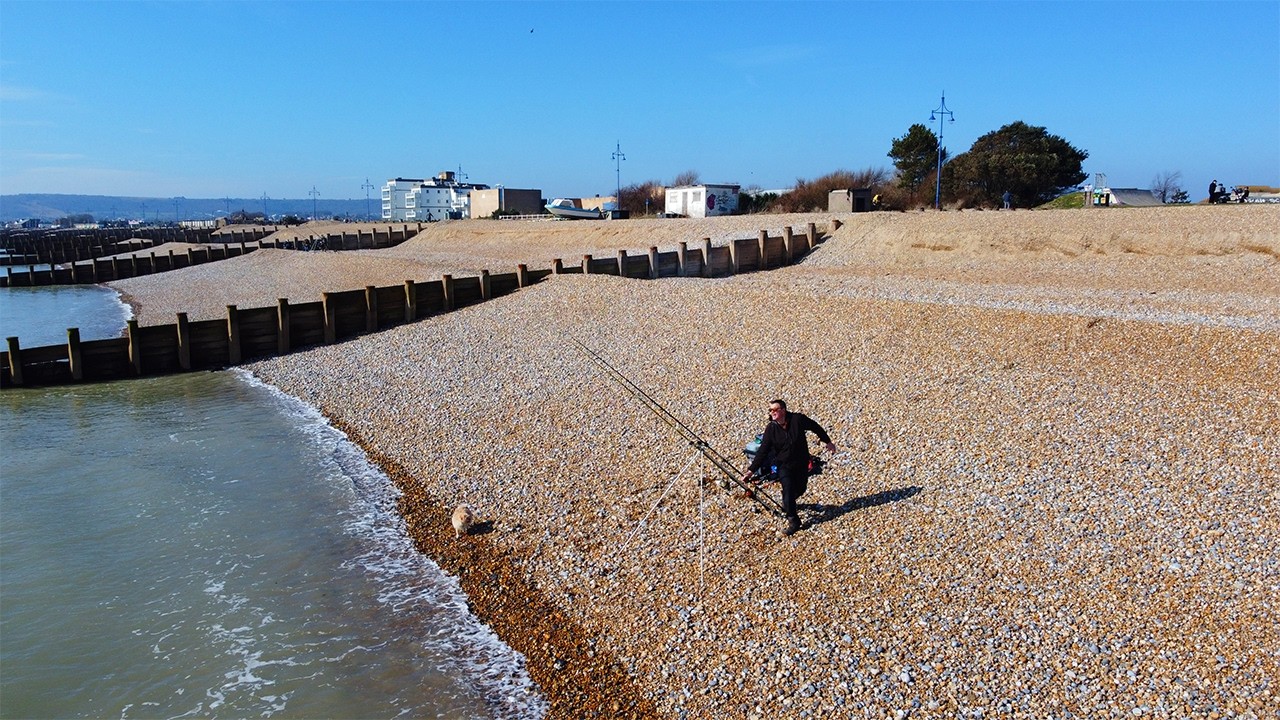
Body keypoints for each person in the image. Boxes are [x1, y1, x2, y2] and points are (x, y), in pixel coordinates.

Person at [740, 399, 837, 536]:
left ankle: (788, 502)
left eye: (775, 410)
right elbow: (762, 451)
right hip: (783, 465)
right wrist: (751, 471)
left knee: (801, 488)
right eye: (770, 410)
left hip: (801, 462)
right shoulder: (771, 428)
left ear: (783, 410)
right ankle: (793, 521)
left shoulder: (798, 419)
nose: (772, 412)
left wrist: (827, 442)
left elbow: (815, 427)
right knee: (788, 489)